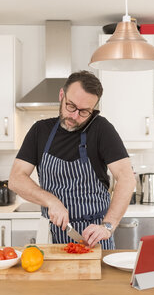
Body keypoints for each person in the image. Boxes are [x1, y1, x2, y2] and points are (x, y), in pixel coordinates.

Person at [9, 70, 136, 249]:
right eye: (71, 106)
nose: (75, 116)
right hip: (52, 235)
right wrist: (51, 201)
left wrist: (107, 226)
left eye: (84, 111)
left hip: (95, 236)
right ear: (62, 95)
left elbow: (126, 178)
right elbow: (16, 179)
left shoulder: (102, 129)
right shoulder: (40, 131)